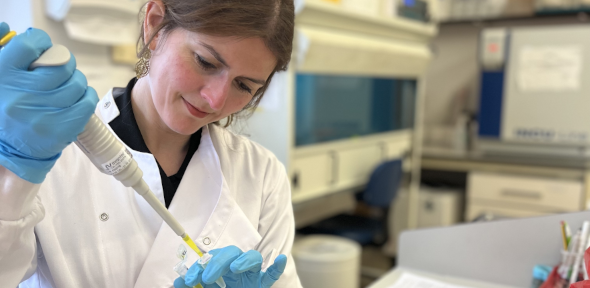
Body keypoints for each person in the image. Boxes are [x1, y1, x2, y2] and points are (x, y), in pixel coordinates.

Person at [0, 0, 302, 287]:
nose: (216, 100)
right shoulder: (46, 155)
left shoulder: (261, 174)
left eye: (243, 86)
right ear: (154, 25)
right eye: (205, 62)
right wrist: (11, 178)